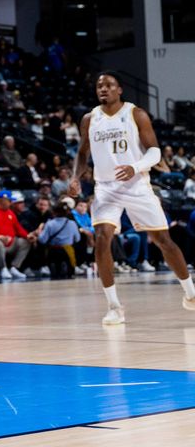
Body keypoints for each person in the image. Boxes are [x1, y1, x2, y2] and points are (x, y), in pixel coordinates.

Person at [69, 72, 195, 325]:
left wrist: (135, 167)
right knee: (102, 238)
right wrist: (75, 177)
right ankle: (114, 306)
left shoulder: (135, 114)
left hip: (137, 185)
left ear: (120, 90)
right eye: (99, 86)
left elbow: (155, 152)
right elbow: (82, 153)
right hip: (105, 187)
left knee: (163, 241)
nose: (103, 89)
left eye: (108, 85)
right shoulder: (89, 119)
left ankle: (191, 293)